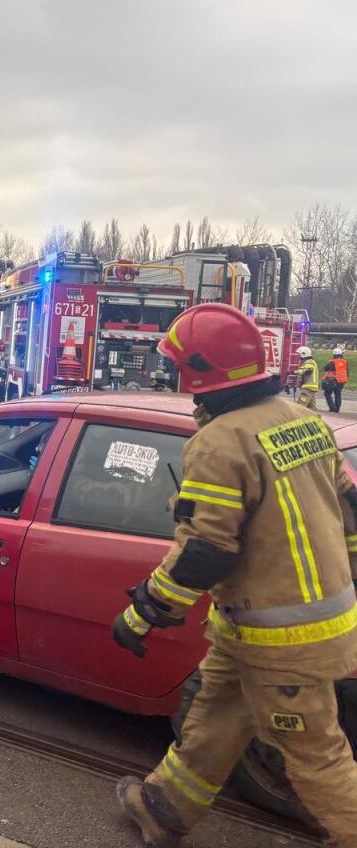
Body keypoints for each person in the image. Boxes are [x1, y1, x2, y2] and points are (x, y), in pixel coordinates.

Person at [111, 304, 357, 848]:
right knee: (216, 715)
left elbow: (206, 552)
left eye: (180, 364)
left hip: (283, 639)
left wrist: (143, 612)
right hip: (262, 624)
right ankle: (163, 808)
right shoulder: (303, 420)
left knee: (317, 755)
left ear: (201, 371)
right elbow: (351, 507)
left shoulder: (221, 443)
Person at [324, 345, 348, 414]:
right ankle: (337, 409)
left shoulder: (331, 362)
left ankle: (332, 408)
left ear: (334, 354)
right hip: (342, 381)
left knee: (327, 393)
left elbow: (325, 369)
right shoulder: (344, 362)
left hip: (333, 380)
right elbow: (347, 371)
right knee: (338, 394)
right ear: (341, 354)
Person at [296, 344, 320, 411]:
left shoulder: (309, 362)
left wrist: (294, 372)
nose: (298, 356)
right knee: (311, 409)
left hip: (308, 388)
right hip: (311, 388)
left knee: (300, 407)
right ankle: (315, 420)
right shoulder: (310, 362)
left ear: (303, 354)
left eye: (299, 354)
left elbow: (306, 370)